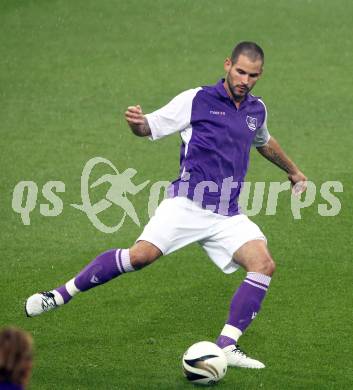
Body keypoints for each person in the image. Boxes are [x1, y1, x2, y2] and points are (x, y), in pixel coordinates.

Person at [25, 41, 307, 369]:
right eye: (240, 71)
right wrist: (136, 125)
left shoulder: (257, 110)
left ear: (260, 75)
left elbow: (263, 140)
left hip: (228, 215)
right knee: (140, 256)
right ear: (228, 64)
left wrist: (293, 171)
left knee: (263, 264)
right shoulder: (196, 100)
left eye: (253, 75)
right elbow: (149, 126)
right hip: (185, 205)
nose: (245, 79)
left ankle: (227, 345)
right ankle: (59, 295)